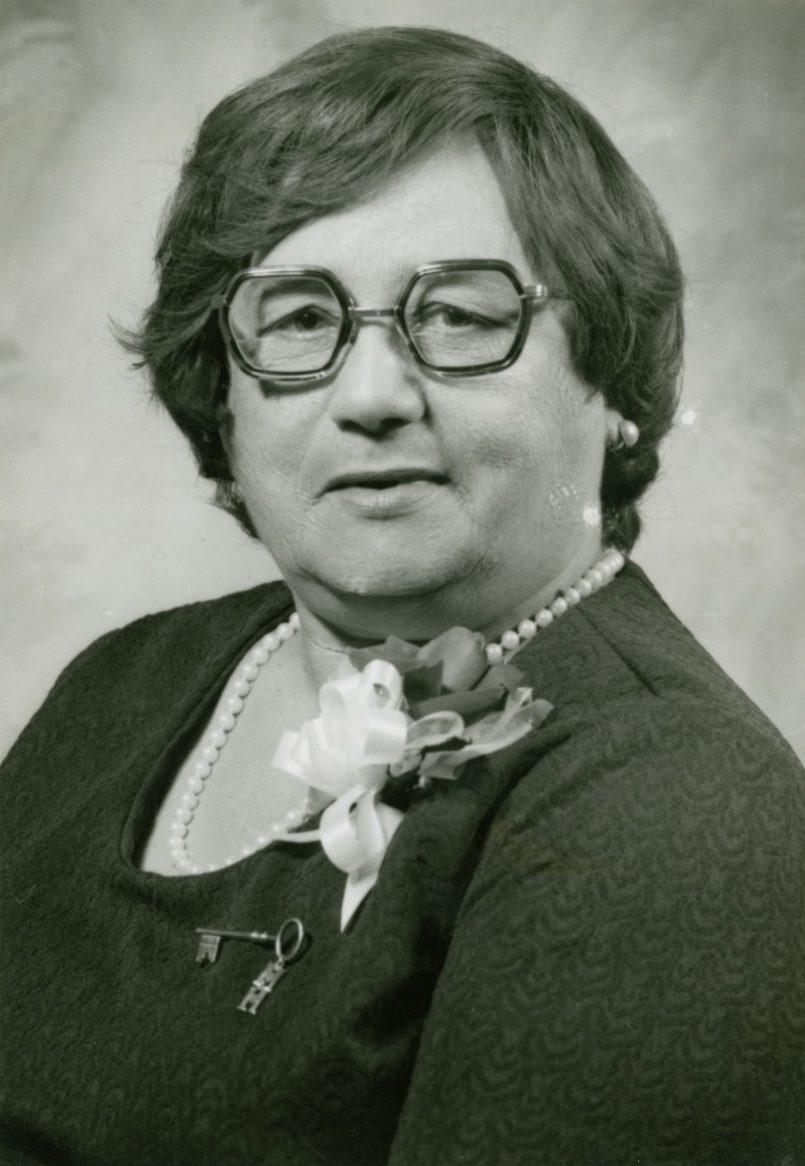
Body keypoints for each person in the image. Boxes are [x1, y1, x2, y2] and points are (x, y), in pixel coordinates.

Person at [1, 24, 803, 1166]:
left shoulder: (682, 806)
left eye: (462, 316)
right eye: (300, 320)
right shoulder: (125, 678)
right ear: (222, 397)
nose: (370, 393)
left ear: (613, 382)